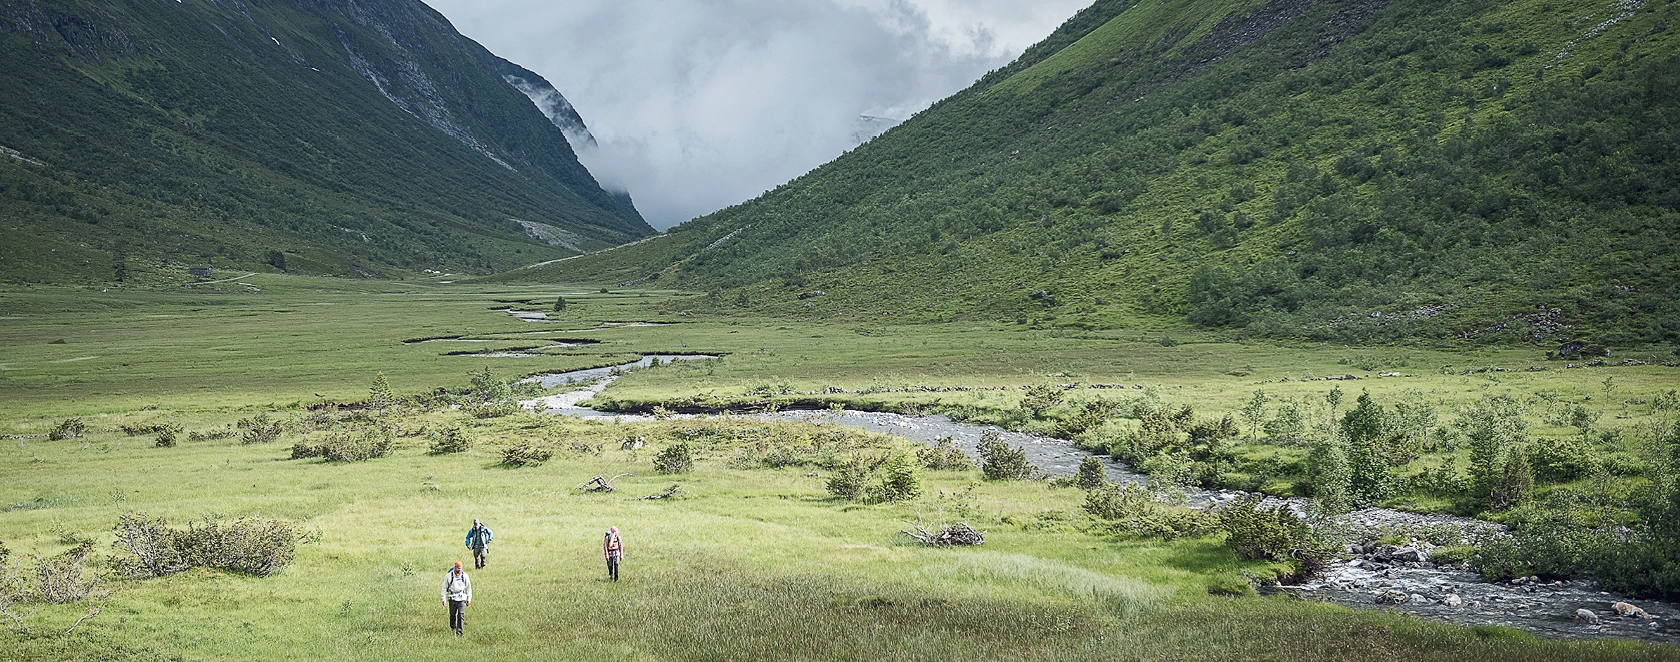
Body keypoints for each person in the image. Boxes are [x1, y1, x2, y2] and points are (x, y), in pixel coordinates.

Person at [441, 561, 472, 636]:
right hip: (452, 598)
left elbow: (468, 588)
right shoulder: (449, 576)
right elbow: (444, 588)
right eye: (457, 569)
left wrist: (469, 598)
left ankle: (459, 632)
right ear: (454, 568)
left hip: (462, 598)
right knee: (452, 614)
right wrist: (443, 599)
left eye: (460, 569)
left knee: (461, 614)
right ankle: (453, 627)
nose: (458, 571)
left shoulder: (465, 576)